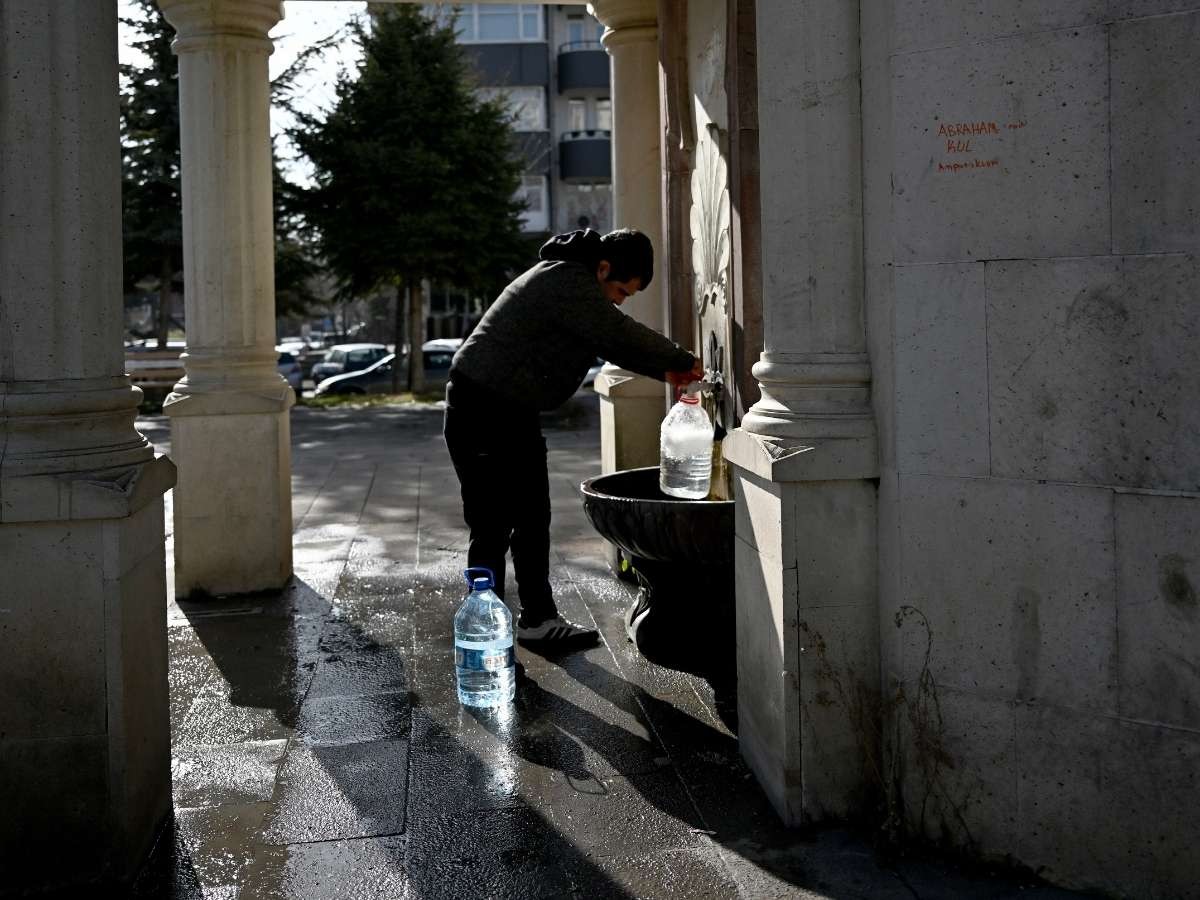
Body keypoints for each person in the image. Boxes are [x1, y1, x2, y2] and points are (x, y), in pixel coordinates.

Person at [444, 228, 703, 649]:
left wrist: (666, 370)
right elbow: (615, 332)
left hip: (508, 409)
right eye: (620, 289)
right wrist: (682, 360)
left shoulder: (574, 284)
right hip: (483, 409)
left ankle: (537, 619)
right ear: (602, 268)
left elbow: (609, 338)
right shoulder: (566, 278)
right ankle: (482, 634)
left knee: (531, 517)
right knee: (492, 525)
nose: (619, 299)